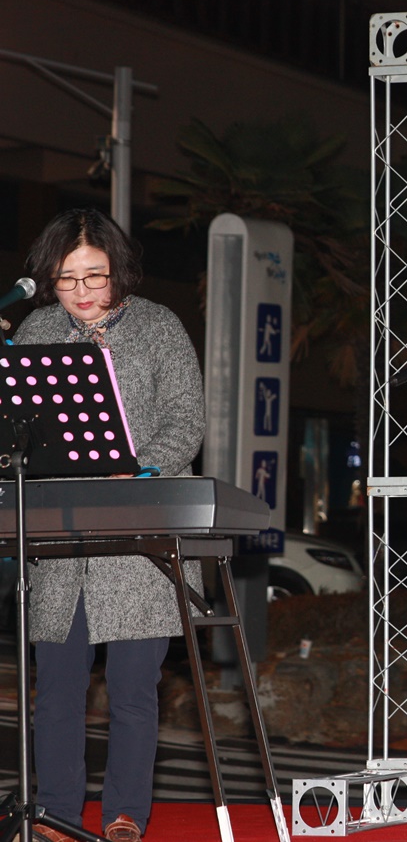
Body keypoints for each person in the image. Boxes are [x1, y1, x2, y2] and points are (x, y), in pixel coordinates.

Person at [15, 209, 206, 842]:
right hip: (60, 533)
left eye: (93, 275)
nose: (81, 290)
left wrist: (142, 466)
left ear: (118, 269)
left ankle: (126, 814)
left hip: (137, 531)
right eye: (66, 279)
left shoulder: (158, 326)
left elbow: (187, 419)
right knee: (58, 691)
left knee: (131, 688)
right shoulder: (39, 329)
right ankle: (57, 816)